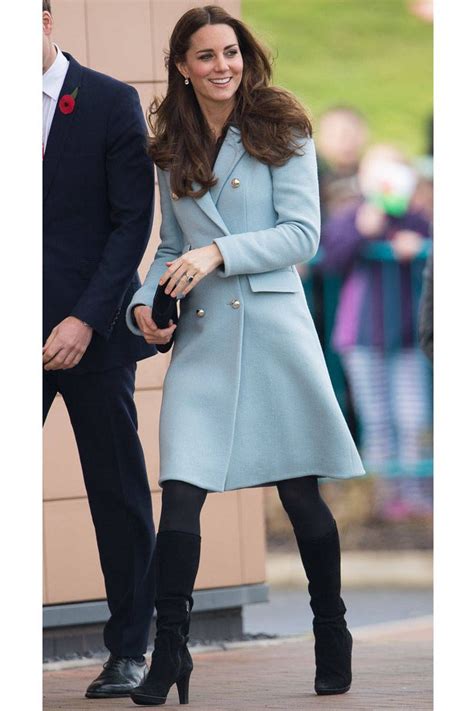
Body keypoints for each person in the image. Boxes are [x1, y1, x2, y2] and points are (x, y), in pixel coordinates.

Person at [125, 5, 365, 705]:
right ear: (182, 66)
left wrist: (218, 251)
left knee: (301, 495)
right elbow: (171, 245)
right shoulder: (170, 142)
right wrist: (146, 300)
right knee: (182, 495)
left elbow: (302, 235)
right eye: (205, 55)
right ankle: (170, 650)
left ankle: (332, 628)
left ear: (244, 54)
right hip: (203, 338)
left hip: (272, 331)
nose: (221, 65)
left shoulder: (282, 127)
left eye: (229, 51)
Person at [42, 2, 157, 698]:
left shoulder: (111, 101)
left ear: (48, 21)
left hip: (95, 329)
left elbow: (131, 222)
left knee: (116, 493)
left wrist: (86, 318)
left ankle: (132, 647)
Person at [321, 144, 433, 520]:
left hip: (406, 336)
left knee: (412, 415)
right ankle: (383, 497)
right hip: (362, 336)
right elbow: (332, 256)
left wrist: (417, 245)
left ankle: (415, 493)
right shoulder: (352, 215)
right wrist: (361, 229)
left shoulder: (416, 219)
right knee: (376, 418)